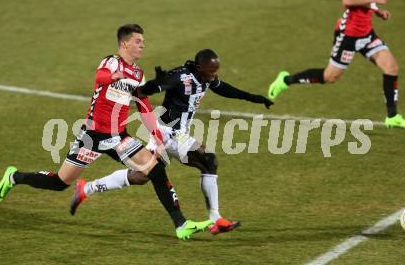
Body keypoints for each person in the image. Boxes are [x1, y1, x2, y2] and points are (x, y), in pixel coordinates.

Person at [0, 23, 212, 240]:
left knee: (155, 170)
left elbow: (143, 105)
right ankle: (14, 177)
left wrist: (155, 133)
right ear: (124, 43)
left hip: (118, 137)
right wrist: (113, 77)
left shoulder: (137, 74)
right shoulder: (111, 62)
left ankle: (181, 224)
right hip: (92, 137)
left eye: (143, 42)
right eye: (138, 41)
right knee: (59, 183)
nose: (142, 45)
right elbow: (100, 77)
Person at [70, 49, 273, 235]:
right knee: (208, 159)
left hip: (172, 134)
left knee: (141, 176)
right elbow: (144, 92)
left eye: (215, 72)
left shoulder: (206, 78)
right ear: (200, 67)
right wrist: (154, 82)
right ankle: (215, 219)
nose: (214, 75)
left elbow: (228, 90)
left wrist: (256, 98)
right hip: (168, 132)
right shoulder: (180, 76)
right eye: (211, 71)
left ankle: (86, 188)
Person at [268, 0, 405, 129]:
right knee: (330, 77)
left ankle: (392, 116)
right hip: (348, 36)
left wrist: (378, 11)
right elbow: (347, 0)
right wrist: (375, 0)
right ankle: (285, 80)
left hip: (366, 34)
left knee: (391, 67)